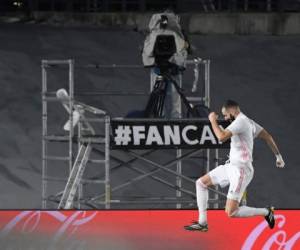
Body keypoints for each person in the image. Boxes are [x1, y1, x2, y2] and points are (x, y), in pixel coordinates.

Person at [184, 100, 285, 232]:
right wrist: (279, 157)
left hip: (241, 171)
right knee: (201, 183)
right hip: (231, 166)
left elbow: (221, 137)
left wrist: (212, 120)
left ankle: (266, 212)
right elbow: (268, 137)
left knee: (231, 212)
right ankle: (202, 223)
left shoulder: (241, 121)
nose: (225, 118)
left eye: (225, 115)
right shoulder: (249, 122)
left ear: (232, 111)